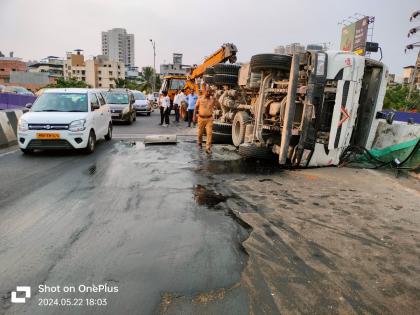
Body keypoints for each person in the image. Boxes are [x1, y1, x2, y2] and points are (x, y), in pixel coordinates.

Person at [194, 88, 217, 154]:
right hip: (201, 119)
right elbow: (196, 108)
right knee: (200, 133)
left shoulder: (212, 100)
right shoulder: (200, 98)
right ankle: (199, 143)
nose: (209, 93)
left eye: (210, 92)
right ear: (204, 92)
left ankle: (208, 148)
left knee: (209, 133)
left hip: (209, 119)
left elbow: (218, 106)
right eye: (207, 91)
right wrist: (194, 117)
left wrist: (215, 99)